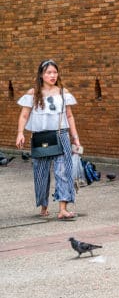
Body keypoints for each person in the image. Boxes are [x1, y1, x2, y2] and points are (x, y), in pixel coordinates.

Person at [15, 59, 81, 220]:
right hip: (40, 137)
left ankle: (63, 209)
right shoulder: (33, 93)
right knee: (41, 174)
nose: (52, 75)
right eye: (48, 72)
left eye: (54, 72)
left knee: (63, 172)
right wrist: (20, 132)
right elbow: (24, 115)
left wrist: (75, 137)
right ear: (41, 75)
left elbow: (69, 116)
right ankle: (44, 207)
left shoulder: (63, 93)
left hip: (61, 136)